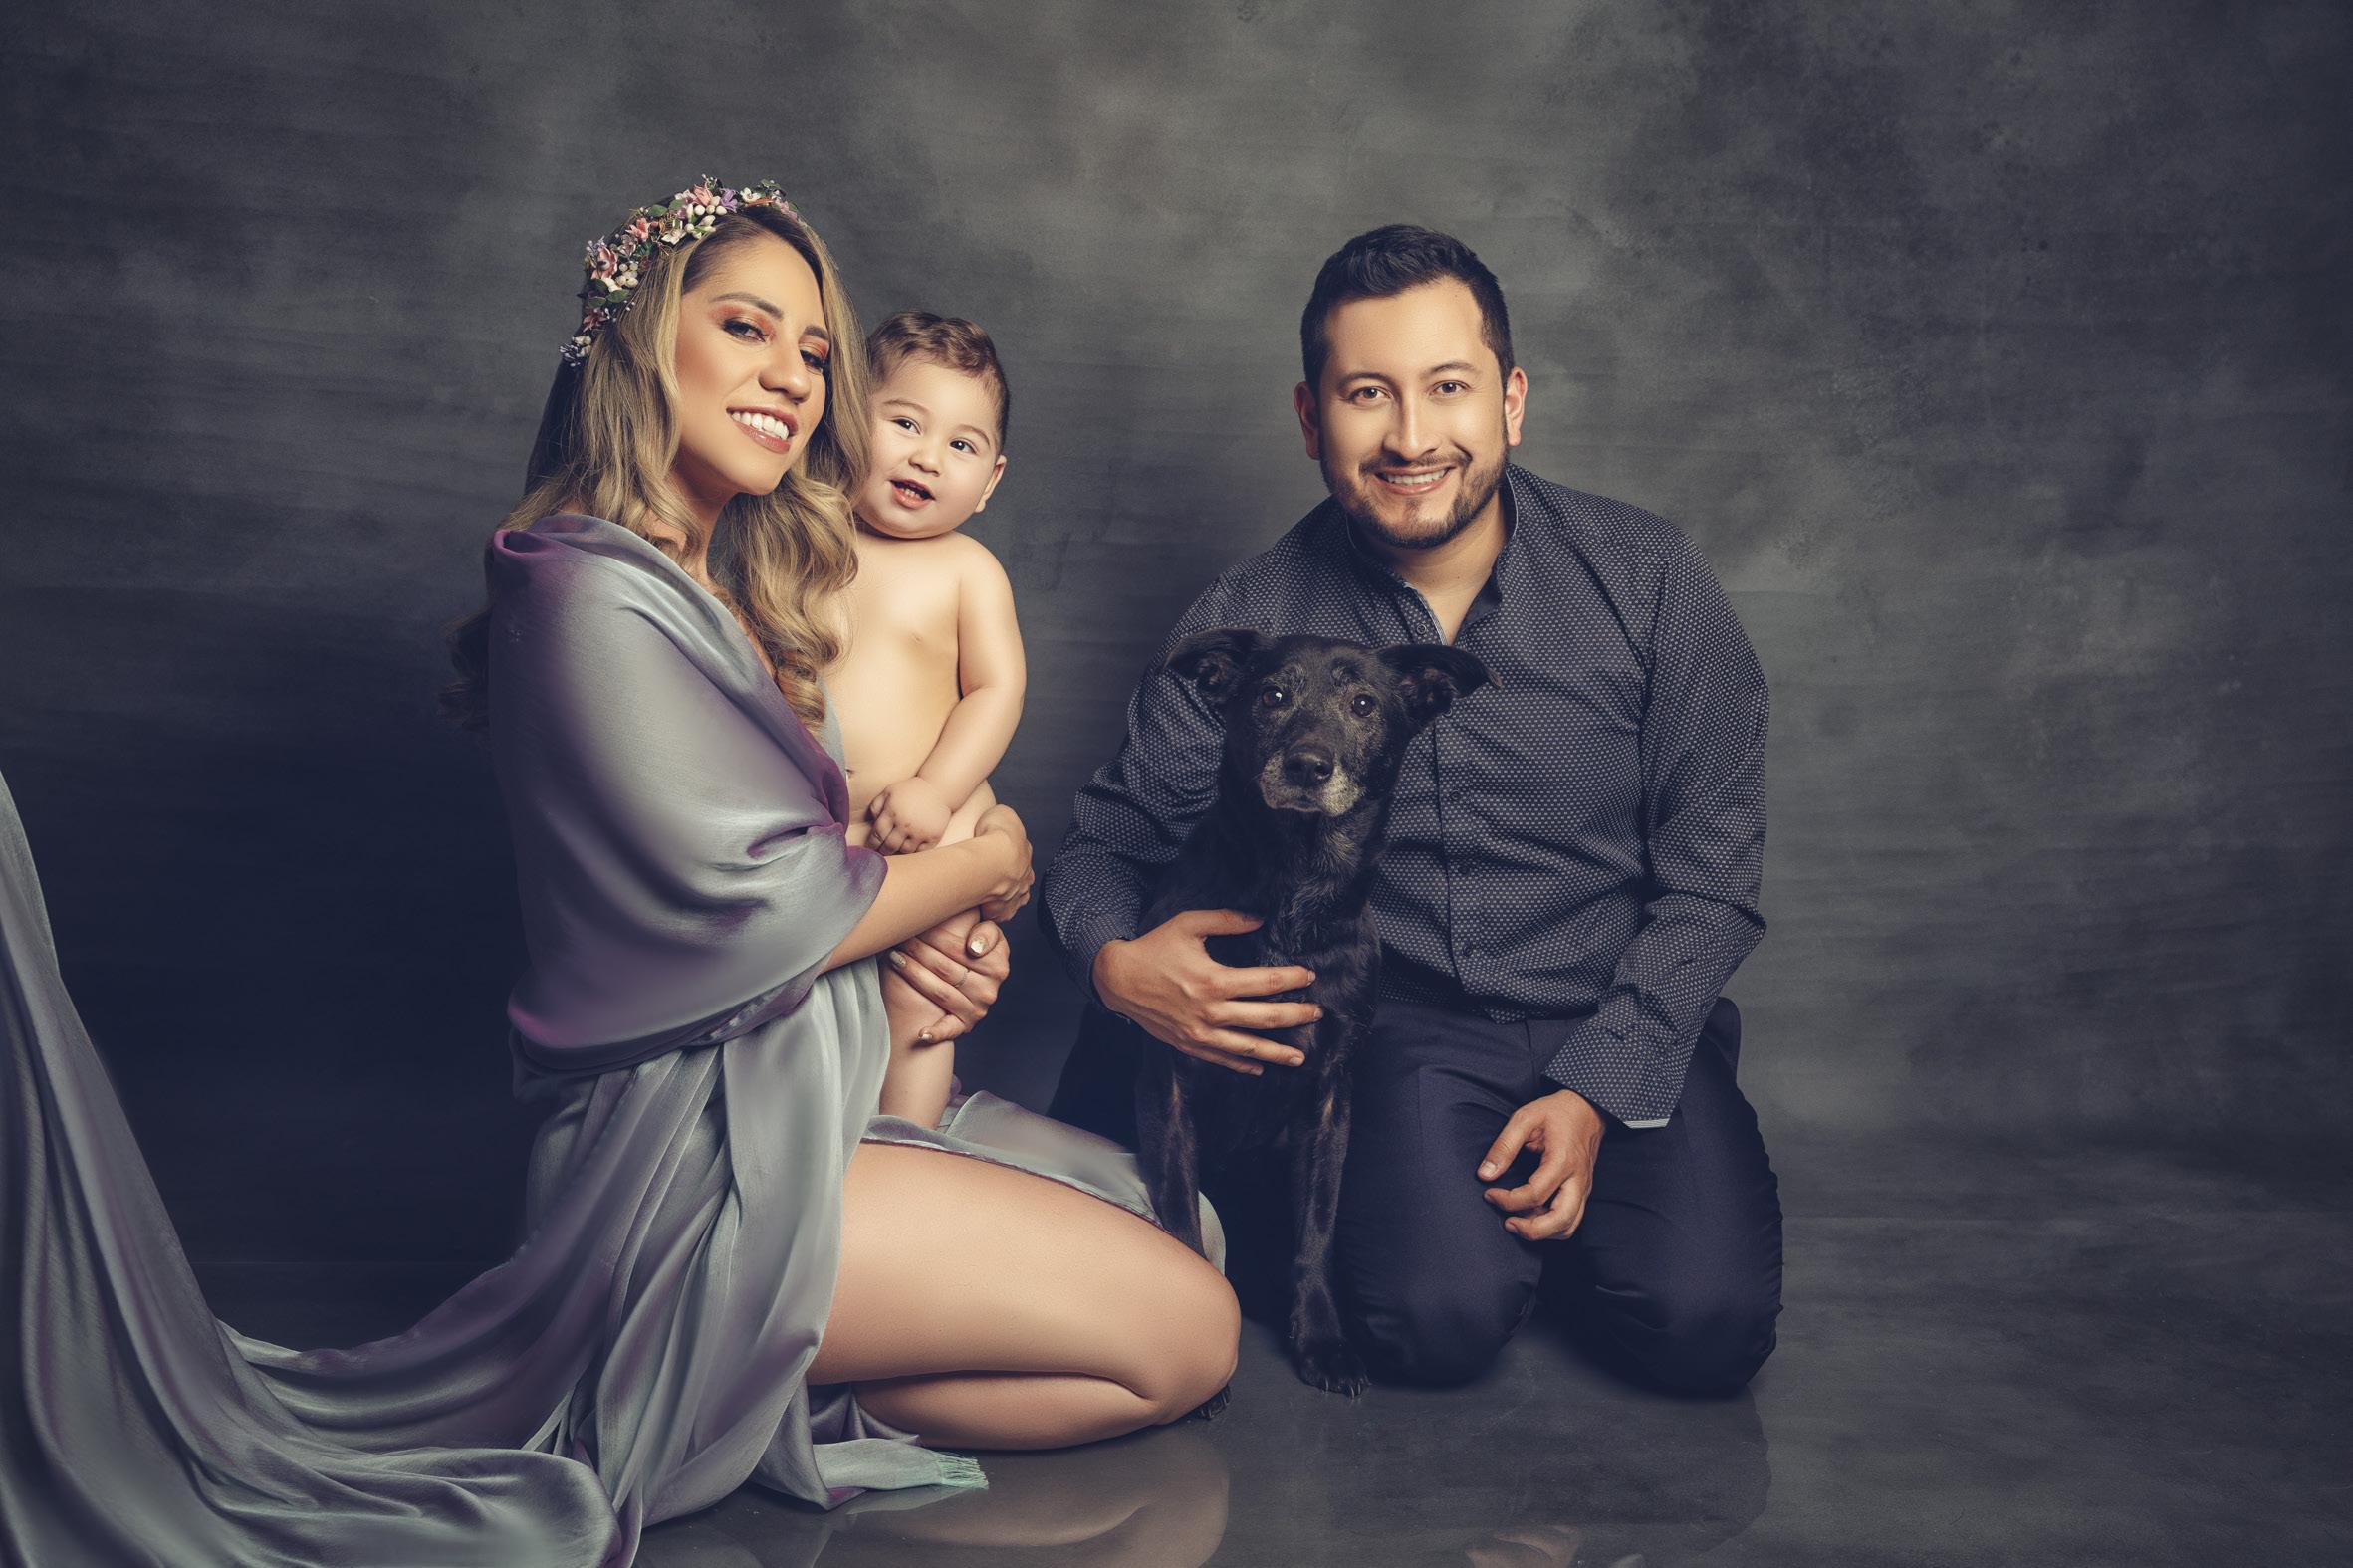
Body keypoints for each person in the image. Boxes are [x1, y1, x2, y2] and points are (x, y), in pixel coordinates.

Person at [0, 178, 1236, 1568]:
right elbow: (762, 916)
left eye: (813, 351)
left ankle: (776, 1375)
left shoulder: (729, 588)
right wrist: (989, 862)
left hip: (810, 1099)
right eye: (747, 328)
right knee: (1189, 1334)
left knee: (1175, 1224)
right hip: (700, 1169)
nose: (792, 375)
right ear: (644, 338)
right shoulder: (580, 586)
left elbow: (814, 865)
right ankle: (735, 1372)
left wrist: (937, 943)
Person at [1044, 223, 1782, 1396]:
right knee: (1430, 1326)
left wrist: (1599, 1085)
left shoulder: (1646, 582)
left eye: (1447, 387)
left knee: (1705, 1329)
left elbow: (1712, 880)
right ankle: (1463, 1235)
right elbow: (1105, 843)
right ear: (1309, 419)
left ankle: (1574, 1220)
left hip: (1618, 1010)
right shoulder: (1251, 612)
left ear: (1510, 402)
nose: (1408, 437)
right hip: (1405, 1036)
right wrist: (1115, 966)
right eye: (1366, 394)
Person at [831, 310, 1026, 1125]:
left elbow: (995, 690)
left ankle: (909, 1144)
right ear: (846, 421)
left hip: (937, 823)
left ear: (989, 481)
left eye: (961, 444)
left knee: (920, 993)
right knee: (829, 1001)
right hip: (830, 831)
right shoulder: (803, 539)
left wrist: (936, 790)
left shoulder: (967, 570)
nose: (926, 456)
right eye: (905, 423)